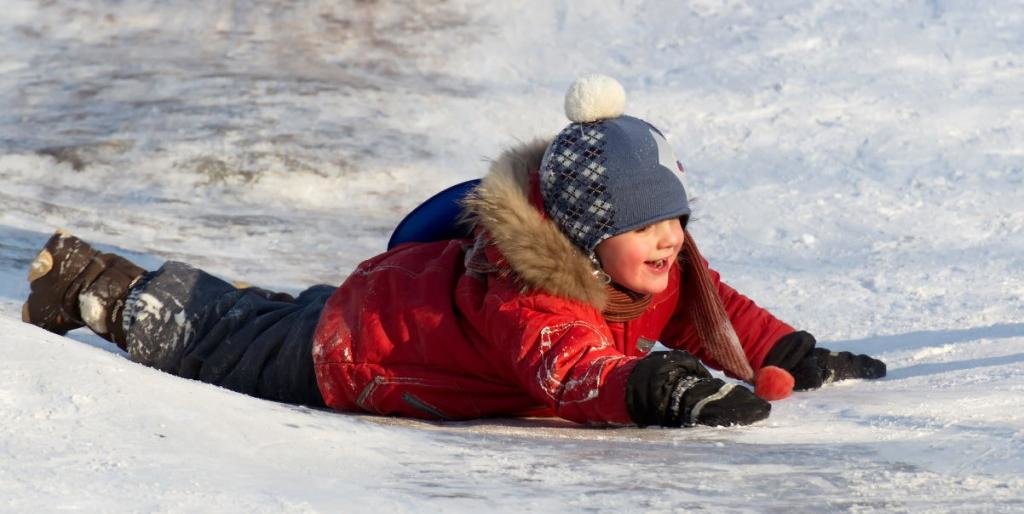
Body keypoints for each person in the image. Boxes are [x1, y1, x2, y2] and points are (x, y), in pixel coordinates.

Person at [22, 75, 885, 428]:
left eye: (677, 220)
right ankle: (101, 288)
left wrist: (786, 353)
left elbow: (711, 309)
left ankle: (255, 303)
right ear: (585, 237)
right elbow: (567, 368)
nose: (672, 241)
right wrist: (652, 389)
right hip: (353, 352)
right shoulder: (531, 297)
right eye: (649, 226)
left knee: (270, 313)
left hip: (394, 304)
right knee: (218, 340)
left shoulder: (649, 269)